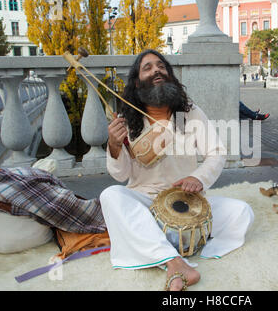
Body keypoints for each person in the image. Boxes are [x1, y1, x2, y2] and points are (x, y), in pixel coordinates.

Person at [100, 49, 254, 291]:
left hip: (188, 204)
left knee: (242, 212)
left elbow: (216, 152)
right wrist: (114, 145)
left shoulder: (189, 112)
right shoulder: (128, 119)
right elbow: (120, 175)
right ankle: (175, 262)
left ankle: (163, 246)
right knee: (111, 196)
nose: (156, 70)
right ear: (137, 82)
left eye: (161, 66)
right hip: (147, 204)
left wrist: (198, 177)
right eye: (147, 68)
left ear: (169, 74)